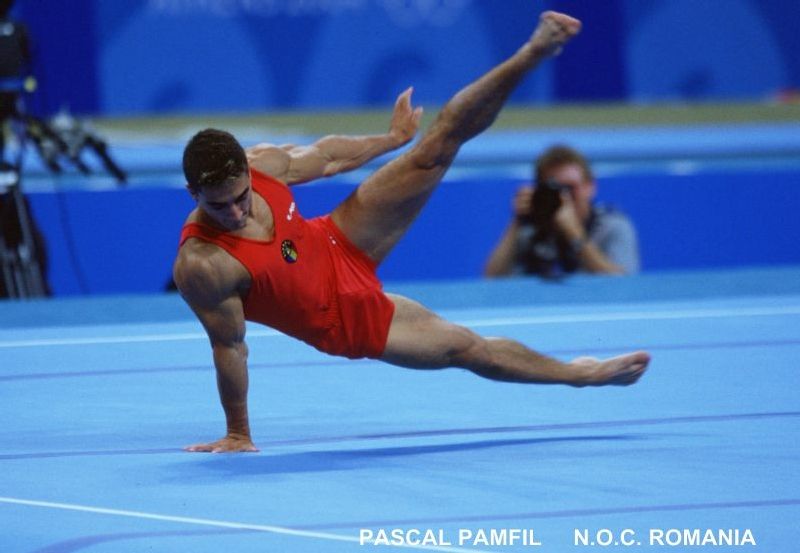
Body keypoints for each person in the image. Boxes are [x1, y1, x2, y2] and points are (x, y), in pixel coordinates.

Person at [173, 9, 650, 453]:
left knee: (435, 147)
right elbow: (229, 347)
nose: (235, 212)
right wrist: (238, 432)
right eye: (218, 205)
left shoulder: (261, 165)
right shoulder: (203, 264)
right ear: (193, 192)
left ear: (247, 171)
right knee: (469, 349)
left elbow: (326, 156)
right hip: (344, 318)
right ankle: (581, 373)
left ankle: (534, 50)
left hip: (338, 239)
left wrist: (391, 139)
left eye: (241, 197)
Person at [485, 145, 640, 279]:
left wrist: (574, 234)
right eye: (555, 189)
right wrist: (517, 221)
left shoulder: (612, 226)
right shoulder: (531, 228)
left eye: (570, 188)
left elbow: (623, 283)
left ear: (590, 187)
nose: (563, 197)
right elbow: (491, 279)